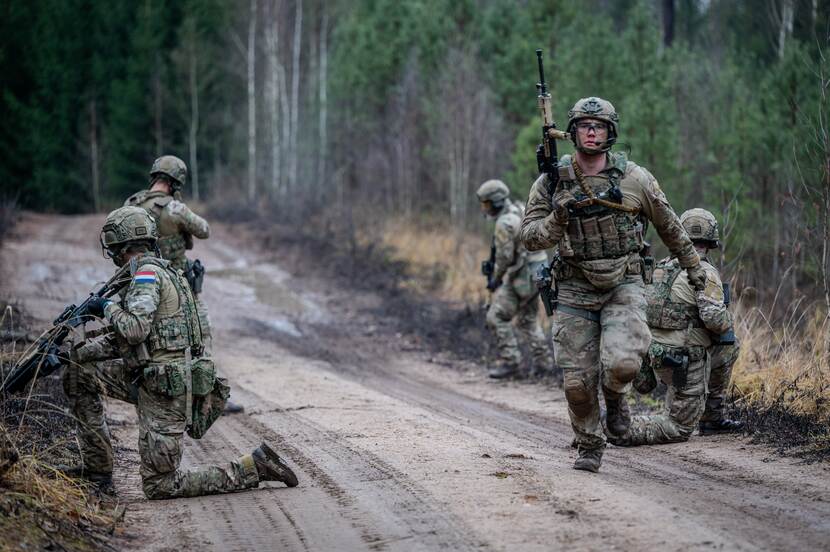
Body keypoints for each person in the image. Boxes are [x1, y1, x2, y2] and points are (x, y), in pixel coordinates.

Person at [520, 97, 705, 472]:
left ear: (610, 132)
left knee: (622, 364)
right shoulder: (552, 181)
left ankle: (616, 396)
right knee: (576, 382)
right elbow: (530, 237)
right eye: (584, 125)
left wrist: (695, 269)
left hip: (624, 282)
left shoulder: (636, 179)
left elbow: (671, 227)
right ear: (571, 132)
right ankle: (590, 444)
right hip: (573, 287)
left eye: (599, 125)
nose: (591, 131)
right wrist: (558, 217)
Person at [61, 206, 297, 498]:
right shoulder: (167, 272)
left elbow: (134, 329)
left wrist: (106, 308)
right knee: (77, 374)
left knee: (160, 485)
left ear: (120, 248)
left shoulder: (146, 275)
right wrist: (78, 352)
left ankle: (254, 467)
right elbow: (137, 340)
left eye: (114, 252)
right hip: (150, 380)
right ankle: (97, 473)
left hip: (165, 392)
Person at [125, 156, 243, 414]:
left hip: (140, 287)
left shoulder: (131, 204)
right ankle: (208, 398)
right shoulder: (175, 209)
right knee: (202, 333)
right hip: (177, 290)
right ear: (176, 183)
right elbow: (204, 229)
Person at [612, 208, 734, 446]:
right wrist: (729, 317)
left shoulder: (662, 267)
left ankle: (712, 416)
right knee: (678, 428)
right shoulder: (704, 271)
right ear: (711, 239)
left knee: (731, 347)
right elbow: (715, 321)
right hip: (684, 359)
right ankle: (616, 427)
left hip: (655, 354)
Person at [475, 180, 555, 380]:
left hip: (522, 277)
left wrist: (496, 279)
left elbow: (504, 257)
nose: (485, 209)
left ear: (496, 202)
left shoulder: (504, 223)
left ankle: (512, 363)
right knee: (528, 320)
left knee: (496, 316)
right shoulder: (520, 209)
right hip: (538, 272)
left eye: (486, 204)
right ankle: (544, 363)